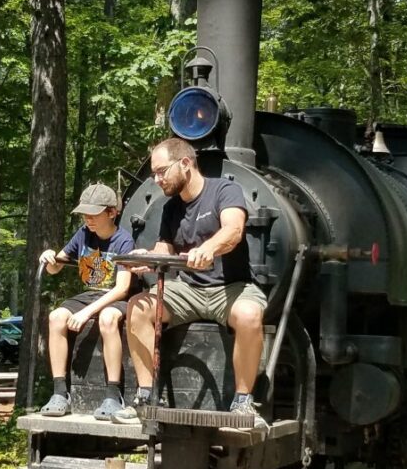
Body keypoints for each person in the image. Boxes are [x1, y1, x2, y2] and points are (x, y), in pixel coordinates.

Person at [113, 138, 268, 429]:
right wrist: (145, 258)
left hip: (229, 288)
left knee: (250, 314)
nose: (157, 179)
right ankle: (145, 397)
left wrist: (209, 248)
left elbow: (233, 230)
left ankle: (243, 402)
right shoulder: (171, 208)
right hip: (187, 290)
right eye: (154, 174)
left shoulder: (225, 190)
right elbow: (165, 250)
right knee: (138, 306)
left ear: (185, 163)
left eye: (161, 171)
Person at [38, 183, 135, 419]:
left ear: (111, 213)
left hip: (113, 296)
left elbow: (122, 289)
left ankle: (114, 394)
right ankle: (60, 392)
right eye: (85, 214)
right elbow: (55, 267)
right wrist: (50, 258)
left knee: (108, 317)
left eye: (93, 214)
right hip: (89, 294)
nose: (88, 219)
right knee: (56, 317)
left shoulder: (124, 241)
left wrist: (84, 313)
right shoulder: (82, 234)